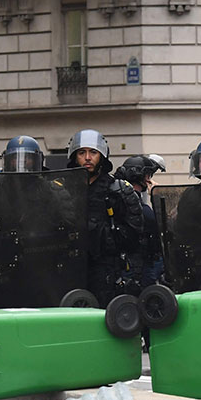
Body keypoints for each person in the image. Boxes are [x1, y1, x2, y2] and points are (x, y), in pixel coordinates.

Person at [68, 129, 146, 306]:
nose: (87, 157)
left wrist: (102, 235)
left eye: (93, 152)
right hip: (72, 272)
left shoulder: (119, 191)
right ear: (74, 157)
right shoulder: (64, 191)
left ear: (102, 156)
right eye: (82, 152)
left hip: (108, 272)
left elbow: (135, 237)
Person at [115, 154, 164, 288]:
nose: (149, 180)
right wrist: (157, 197)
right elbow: (157, 224)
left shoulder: (118, 196)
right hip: (137, 264)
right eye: (147, 175)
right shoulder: (134, 203)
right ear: (139, 176)